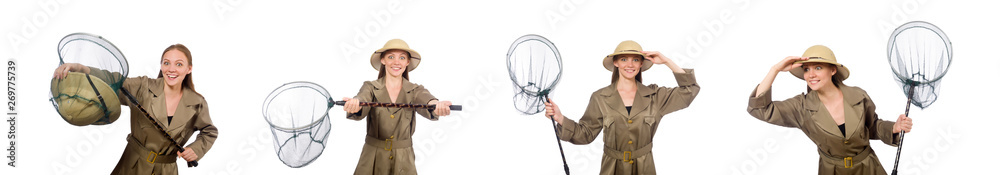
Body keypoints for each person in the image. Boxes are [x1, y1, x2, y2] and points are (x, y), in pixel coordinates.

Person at [746, 45, 913, 175]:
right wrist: (774, 69)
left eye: (818, 67)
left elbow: (872, 127)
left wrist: (893, 127)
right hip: (832, 171)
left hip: (869, 168)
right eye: (806, 69)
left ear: (833, 70)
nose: (810, 74)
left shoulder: (858, 95)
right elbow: (759, 109)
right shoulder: (801, 107)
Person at [53, 44, 218, 175]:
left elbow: (209, 131)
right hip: (132, 165)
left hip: (166, 171)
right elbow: (113, 80)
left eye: (179, 64)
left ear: (189, 69)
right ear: (161, 66)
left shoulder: (198, 102)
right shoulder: (143, 86)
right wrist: (79, 68)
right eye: (166, 63)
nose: (171, 69)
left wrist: (195, 149)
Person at [544, 40, 699, 174]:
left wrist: (667, 61)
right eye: (624, 59)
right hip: (611, 168)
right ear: (616, 63)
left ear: (641, 64)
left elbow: (689, 90)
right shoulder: (600, 97)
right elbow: (585, 134)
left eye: (635, 60)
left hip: (645, 168)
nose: (630, 65)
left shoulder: (655, 96)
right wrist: (560, 118)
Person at [343, 39, 454, 175]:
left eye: (402, 58)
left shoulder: (415, 90)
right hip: (372, 156)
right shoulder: (370, 87)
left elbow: (427, 99)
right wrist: (355, 104)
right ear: (383, 60)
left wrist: (436, 105)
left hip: (404, 160)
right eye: (391, 57)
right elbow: (362, 98)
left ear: (407, 62)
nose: (397, 62)